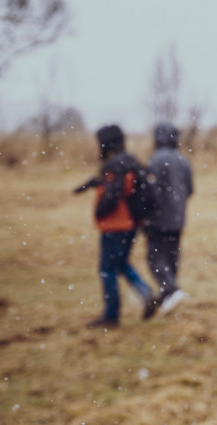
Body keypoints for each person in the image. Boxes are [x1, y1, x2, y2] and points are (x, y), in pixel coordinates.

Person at [76, 124, 156, 328]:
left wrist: (99, 210)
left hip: (115, 225)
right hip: (132, 224)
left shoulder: (113, 165)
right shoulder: (131, 160)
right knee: (120, 263)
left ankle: (111, 315)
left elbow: (113, 193)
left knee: (107, 269)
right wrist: (92, 184)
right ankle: (146, 293)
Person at [144, 122, 193, 314]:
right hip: (178, 217)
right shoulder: (183, 160)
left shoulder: (156, 159)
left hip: (159, 218)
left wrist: (149, 212)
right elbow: (190, 190)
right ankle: (169, 295)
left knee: (154, 257)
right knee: (172, 255)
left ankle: (171, 290)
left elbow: (151, 191)